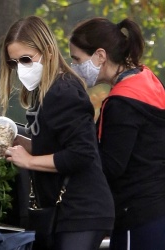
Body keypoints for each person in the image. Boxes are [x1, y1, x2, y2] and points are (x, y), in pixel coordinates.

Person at [0, 15, 115, 250]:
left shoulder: (63, 91)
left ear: (47, 52)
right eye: (14, 63)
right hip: (64, 211)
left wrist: (29, 160)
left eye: (26, 59)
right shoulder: (42, 92)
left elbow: (82, 153)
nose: (20, 69)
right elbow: (57, 145)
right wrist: (19, 143)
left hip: (82, 209)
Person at [69, 17, 165, 250]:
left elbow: (110, 167)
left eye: (77, 59)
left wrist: (67, 156)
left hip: (137, 216)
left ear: (100, 56)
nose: (74, 68)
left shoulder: (121, 104)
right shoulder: (146, 78)